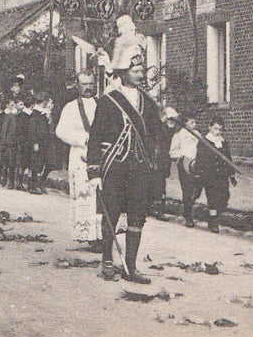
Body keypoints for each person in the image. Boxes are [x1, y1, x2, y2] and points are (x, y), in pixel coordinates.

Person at [87, 26, 165, 285]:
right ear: (123, 73)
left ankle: (130, 265)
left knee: (136, 216)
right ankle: (107, 262)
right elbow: (95, 137)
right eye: (135, 71)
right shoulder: (109, 101)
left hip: (139, 168)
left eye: (142, 70)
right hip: (114, 167)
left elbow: (156, 133)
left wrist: (170, 121)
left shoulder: (148, 102)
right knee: (110, 214)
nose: (140, 75)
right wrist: (94, 172)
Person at [54, 72, 101, 248]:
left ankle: (103, 235)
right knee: (86, 197)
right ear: (77, 86)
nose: (88, 88)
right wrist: (82, 139)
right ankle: (90, 235)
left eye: (91, 84)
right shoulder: (70, 107)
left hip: (100, 156)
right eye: (84, 84)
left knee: (101, 196)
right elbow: (60, 131)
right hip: (80, 156)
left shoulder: (102, 104)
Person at [196, 114, 236, 233]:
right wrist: (199, 175)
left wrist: (232, 175)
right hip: (210, 175)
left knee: (224, 196)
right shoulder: (204, 142)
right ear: (210, 127)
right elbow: (200, 159)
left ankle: (215, 217)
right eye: (215, 129)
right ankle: (213, 222)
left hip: (222, 175)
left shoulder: (223, 142)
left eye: (220, 129)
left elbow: (228, 159)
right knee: (213, 197)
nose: (217, 132)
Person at [167, 110, 202, 227]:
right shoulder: (178, 135)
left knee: (197, 190)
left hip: (197, 164)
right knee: (187, 190)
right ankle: (188, 216)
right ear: (185, 123)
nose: (194, 125)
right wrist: (182, 156)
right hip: (184, 165)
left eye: (195, 122)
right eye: (192, 122)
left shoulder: (197, 134)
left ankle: (188, 208)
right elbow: (172, 152)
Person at [26, 91, 53, 194]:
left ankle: (39, 184)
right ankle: (33, 186)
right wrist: (35, 142)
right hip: (38, 142)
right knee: (36, 164)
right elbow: (32, 130)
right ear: (44, 101)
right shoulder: (35, 114)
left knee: (42, 163)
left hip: (44, 141)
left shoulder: (43, 113)